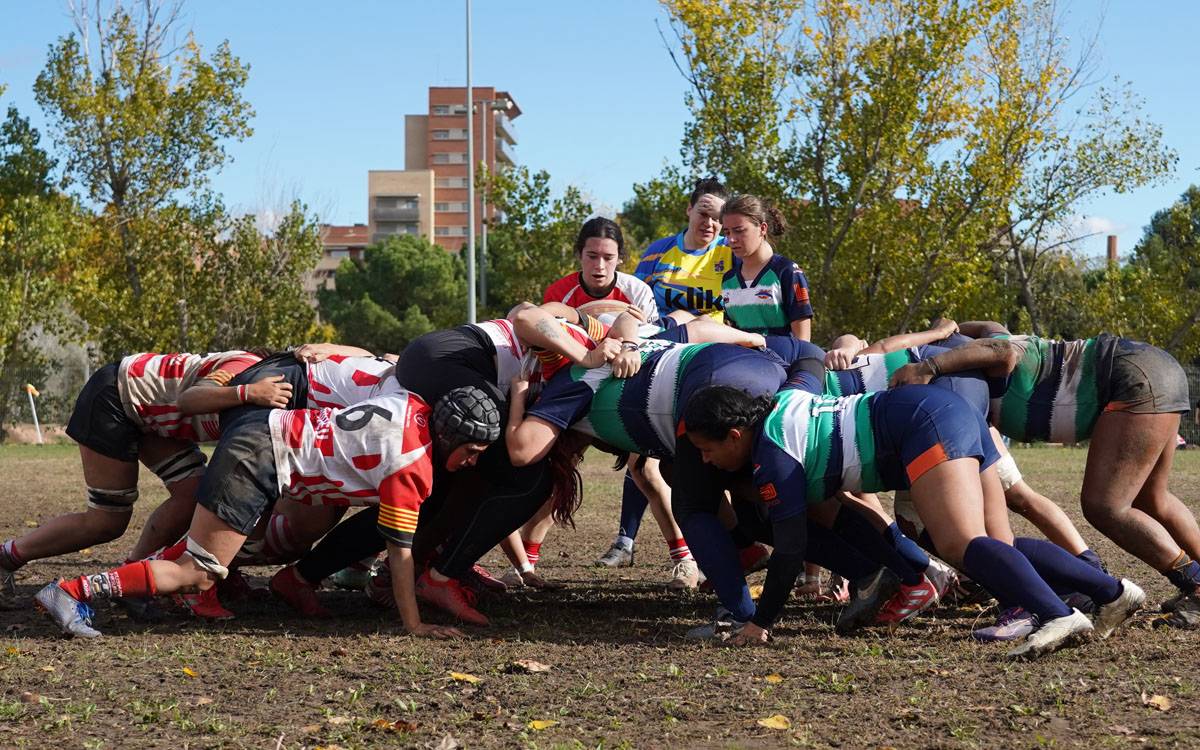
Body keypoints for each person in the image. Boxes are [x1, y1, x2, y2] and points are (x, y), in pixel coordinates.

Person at [682, 383, 1145, 658]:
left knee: (959, 543)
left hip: (924, 422)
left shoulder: (772, 455)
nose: (705, 462)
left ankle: (1060, 615)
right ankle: (1113, 592)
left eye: (708, 449)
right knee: (982, 544)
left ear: (736, 434)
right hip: (944, 409)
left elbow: (788, 551)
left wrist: (760, 622)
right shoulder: (778, 407)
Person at [36, 384, 500, 639]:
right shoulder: (411, 468)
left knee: (224, 550)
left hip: (265, 433)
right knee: (196, 571)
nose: (475, 461)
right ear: (451, 436)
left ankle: (154, 581)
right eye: (474, 451)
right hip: (261, 457)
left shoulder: (415, 401)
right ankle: (72, 590)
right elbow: (398, 555)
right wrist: (414, 625)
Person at [891, 328, 1200, 628]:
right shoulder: (981, 359)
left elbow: (998, 348)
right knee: (1151, 498)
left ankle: (1194, 583)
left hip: (1130, 376)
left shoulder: (978, 356)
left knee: (1105, 506)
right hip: (1152, 368)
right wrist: (941, 331)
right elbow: (975, 330)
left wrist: (928, 363)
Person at [0, 349, 277, 610]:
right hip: (116, 398)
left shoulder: (271, 385)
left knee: (194, 494)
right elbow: (189, 399)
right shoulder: (246, 368)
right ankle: (7, 556)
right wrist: (247, 391)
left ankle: (131, 580)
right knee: (106, 521)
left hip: (148, 416)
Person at [719, 194, 813, 339]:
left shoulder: (788, 272)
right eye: (727, 232)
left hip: (782, 359)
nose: (731, 239)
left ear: (762, 228)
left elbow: (803, 343)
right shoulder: (728, 280)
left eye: (739, 230)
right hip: (741, 359)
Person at [543, 216, 658, 323]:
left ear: (620, 258)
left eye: (608, 258)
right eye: (592, 256)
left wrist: (645, 329)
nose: (600, 265)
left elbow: (658, 340)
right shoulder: (557, 294)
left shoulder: (639, 292)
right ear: (579, 254)